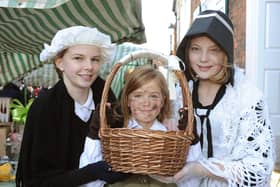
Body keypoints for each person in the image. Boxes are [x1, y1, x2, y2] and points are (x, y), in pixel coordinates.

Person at [155, 10, 275, 186]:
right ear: (187, 51)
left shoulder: (246, 97)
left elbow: (259, 169)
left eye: (214, 50)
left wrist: (199, 169)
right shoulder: (181, 92)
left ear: (225, 52)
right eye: (196, 49)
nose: (203, 59)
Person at [15, 26, 127, 187]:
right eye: (78, 58)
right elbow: (38, 180)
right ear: (60, 63)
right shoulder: (45, 107)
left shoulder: (106, 96)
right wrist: (91, 172)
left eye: (95, 59)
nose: (89, 66)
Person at [79, 66, 177, 187]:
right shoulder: (116, 133)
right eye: (138, 95)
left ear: (163, 101)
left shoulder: (169, 135)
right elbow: (91, 171)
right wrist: (95, 132)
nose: (146, 102)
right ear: (128, 101)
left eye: (154, 96)